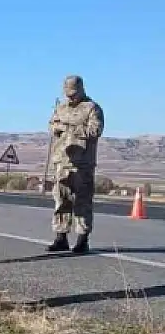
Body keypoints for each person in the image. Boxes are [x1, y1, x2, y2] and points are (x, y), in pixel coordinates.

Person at [46, 75, 104, 254]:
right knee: (61, 200)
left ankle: (82, 240)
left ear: (81, 89)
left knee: (82, 201)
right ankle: (60, 237)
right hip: (61, 162)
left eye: (73, 93)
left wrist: (70, 128)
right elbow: (52, 125)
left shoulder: (92, 108)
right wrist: (56, 127)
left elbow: (96, 130)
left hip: (82, 164)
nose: (70, 97)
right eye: (67, 94)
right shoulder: (60, 108)